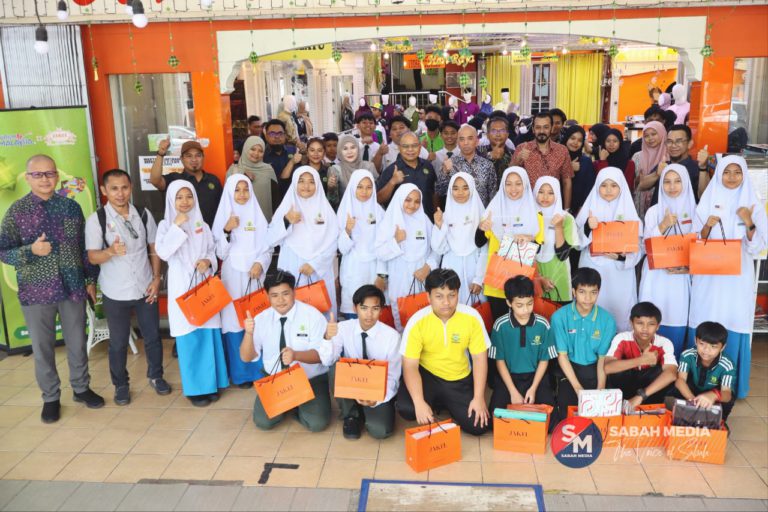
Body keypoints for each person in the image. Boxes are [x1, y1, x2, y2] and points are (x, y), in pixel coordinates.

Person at [0, 155, 103, 423]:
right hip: (36, 292)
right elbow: (3, 250)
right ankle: (51, 397)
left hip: (72, 288)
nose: (45, 179)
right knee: (43, 348)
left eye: (50, 173)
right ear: (28, 177)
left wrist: (91, 279)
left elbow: (84, 248)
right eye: (38, 174)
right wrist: (30, 251)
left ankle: (81, 388)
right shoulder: (16, 211)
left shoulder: (71, 208)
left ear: (57, 176)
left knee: (77, 343)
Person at [85, 169, 169, 406]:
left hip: (145, 288)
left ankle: (156, 376)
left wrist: (156, 279)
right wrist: (110, 252)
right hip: (115, 291)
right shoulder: (97, 220)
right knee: (119, 342)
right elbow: (92, 257)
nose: (120, 193)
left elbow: (153, 248)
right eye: (114, 188)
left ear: (130, 187)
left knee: (152, 336)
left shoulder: (142, 214)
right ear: (104, 191)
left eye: (124, 187)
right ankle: (121, 384)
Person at [689, 156, 767, 399]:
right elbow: (693, 242)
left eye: (737, 172)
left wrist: (748, 222)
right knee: (706, 316)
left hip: (737, 278)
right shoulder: (706, 203)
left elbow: (758, 248)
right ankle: (695, 383)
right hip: (708, 278)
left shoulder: (754, 206)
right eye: (726, 172)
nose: (732, 177)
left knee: (732, 321)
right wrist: (707, 227)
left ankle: (729, 387)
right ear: (718, 174)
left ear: (744, 175)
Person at [155, 181, 229, 407]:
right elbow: (164, 252)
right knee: (190, 337)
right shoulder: (165, 225)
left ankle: (212, 384)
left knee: (208, 335)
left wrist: (207, 261)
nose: (185, 201)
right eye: (179, 197)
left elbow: (210, 250)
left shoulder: (202, 225)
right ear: (171, 201)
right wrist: (177, 227)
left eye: (189, 196)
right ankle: (196, 389)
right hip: (182, 287)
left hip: (204, 285)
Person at [397, 268, 491, 436]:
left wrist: (478, 398)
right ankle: (432, 402)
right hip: (428, 375)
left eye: (452, 295)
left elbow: (479, 359)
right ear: (429, 297)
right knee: (408, 409)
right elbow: (410, 365)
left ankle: (447, 403)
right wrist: (419, 402)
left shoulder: (472, 317)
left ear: (458, 294)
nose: (446, 302)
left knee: (479, 426)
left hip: (458, 377)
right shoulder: (417, 321)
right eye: (439, 296)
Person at [241, 270, 332, 431]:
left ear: (294, 292)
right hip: (276, 380)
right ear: (267, 296)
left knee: (317, 424)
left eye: (285, 294)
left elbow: (322, 356)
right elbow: (246, 357)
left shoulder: (312, 315)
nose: (280, 300)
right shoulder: (261, 319)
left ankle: (296, 406)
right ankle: (290, 403)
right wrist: (248, 334)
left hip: (309, 379)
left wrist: (297, 355)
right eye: (274, 295)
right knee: (263, 422)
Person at [213, 175, 273, 388]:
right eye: (237, 190)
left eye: (245, 189)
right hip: (232, 277)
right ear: (230, 192)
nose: (242, 194)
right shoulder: (223, 217)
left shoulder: (258, 216)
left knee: (257, 320)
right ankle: (240, 375)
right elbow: (219, 252)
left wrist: (260, 262)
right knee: (234, 323)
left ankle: (259, 370)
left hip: (255, 277)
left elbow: (268, 247)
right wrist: (227, 230)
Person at [322, 285, 402, 439]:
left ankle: (370, 412)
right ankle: (350, 415)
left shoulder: (392, 337)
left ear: (382, 310)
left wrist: (377, 400)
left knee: (381, 431)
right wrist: (327, 338)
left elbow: (393, 377)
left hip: (377, 390)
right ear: (355, 307)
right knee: (335, 367)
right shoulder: (343, 328)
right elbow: (327, 360)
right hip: (353, 384)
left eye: (375, 308)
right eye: (364, 308)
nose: (369, 314)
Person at [638, 164, 696, 358]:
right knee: (650, 319)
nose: (672, 186)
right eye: (667, 182)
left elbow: (699, 248)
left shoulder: (696, 212)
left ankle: (672, 371)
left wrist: (686, 267)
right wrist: (662, 225)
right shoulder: (654, 212)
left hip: (679, 278)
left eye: (677, 181)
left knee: (676, 319)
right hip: (656, 277)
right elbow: (646, 247)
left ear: (686, 182)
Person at [575, 168, 643, 332]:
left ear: (621, 188)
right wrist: (587, 227)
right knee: (591, 311)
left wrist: (620, 257)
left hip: (619, 276)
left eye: (614, 185)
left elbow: (639, 247)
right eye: (603, 185)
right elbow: (576, 243)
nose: (608, 190)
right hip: (592, 269)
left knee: (619, 313)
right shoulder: (588, 210)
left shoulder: (630, 214)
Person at [268, 167, 340, 317]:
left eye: (311, 182)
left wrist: (314, 264)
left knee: (321, 315)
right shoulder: (286, 208)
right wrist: (287, 221)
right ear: (294, 183)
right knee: (292, 313)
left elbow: (334, 241)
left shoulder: (326, 210)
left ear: (318, 184)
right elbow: (270, 240)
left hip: (320, 269)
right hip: (292, 265)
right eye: (301, 181)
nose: (306, 186)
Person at [488, 276, 558, 426]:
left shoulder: (543, 324)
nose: (526, 310)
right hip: (509, 378)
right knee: (494, 422)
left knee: (552, 423)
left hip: (535, 377)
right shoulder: (500, 326)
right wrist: (513, 391)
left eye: (529, 304)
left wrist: (533, 388)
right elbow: (499, 361)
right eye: (519, 305)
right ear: (509, 303)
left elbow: (544, 360)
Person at [551, 268, 617, 417]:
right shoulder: (559, 317)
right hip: (569, 370)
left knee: (601, 414)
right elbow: (562, 356)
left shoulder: (607, 320)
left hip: (596, 370)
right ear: (574, 292)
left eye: (593, 292)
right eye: (582, 292)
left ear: (599, 292)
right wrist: (578, 389)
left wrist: (599, 391)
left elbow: (602, 360)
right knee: (567, 415)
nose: (588, 298)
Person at [480, 167, 542, 320]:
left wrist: (530, 239)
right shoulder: (492, 211)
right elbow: (479, 241)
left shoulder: (535, 213)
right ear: (502, 185)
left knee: (522, 326)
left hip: (522, 280)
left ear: (525, 185)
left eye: (518, 184)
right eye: (508, 184)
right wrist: (481, 228)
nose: (513, 189)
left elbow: (539, 248)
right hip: (497, 279)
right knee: (499, 326)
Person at [375, 185, 438, 331]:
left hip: (422, 281)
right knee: (403, 327)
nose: (412, 205)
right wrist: (395, 241)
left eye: (417, 201)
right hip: (399, 283)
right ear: (400, 199)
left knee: (425, 326)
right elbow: (380, 253)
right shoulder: (389, 222)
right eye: (408, 200)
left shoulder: (424, 221)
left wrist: (427, 267)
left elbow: (436, 249)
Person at [604, 302, 678, 410]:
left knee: (663, 372)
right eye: (640, 323)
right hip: (625, 387)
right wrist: (641, 360)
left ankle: (649, 406)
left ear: (658, 326)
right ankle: (619, 405)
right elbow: (607, 368)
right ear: (631, 323)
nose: (645, 328)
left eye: (651, 324)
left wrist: (641, 396)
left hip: (648, 392)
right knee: (617, 369)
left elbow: (672, 374)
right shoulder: (622, 338)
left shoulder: (664, 343)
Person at [431, 173, 488, 304]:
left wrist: (478, 279)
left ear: (472, 189)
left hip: (474, 269)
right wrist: (439, 226)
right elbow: (439, 249)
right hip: (451, 269)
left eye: (465, 188)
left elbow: (485, 250)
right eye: (455, 188)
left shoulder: (481, 215)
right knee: (452, 306)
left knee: (477, 310)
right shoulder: (445, 216)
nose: (460, 192)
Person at [337, 170, 386, 318]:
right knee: (353, 316)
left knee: (372, 315)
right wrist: (347, 230)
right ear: (352, 187)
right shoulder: (344, 211)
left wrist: (382, 275)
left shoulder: (379, 212)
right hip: (353, 270)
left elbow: (384, 247)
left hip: (374, 271)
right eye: (360, 187)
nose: (364, 191)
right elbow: (342, 249)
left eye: (368, 187)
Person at [672, 321, 736, 423]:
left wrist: (713, 395)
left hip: (713, 394)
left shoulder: (727, 365)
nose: (706, 350)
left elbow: (727, 393)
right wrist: (694, 401)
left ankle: (720, 422)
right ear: (695, 340)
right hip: (692, 392)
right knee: (677, 386)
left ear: (722, 347)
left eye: (713, 347)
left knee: (729, 399)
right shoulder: (687, 355)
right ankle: (682, 415)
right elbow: (680, 380)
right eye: (702, 344)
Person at [151, 139, 223, 228]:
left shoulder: (213, 180)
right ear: (181, 159)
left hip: (210, 236)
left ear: (203, 157)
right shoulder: (175, 179)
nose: (194, 159)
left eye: (198, 155)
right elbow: (155, 181)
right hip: (182, 236)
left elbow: (223, 208)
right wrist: (160, 154)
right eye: (189, 156)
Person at [511, 112, 574, 209]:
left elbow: (567, 181)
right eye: (538, 127)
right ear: (533, 129)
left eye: (545, 127)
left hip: (552, 206)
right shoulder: (522, 148)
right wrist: (517, 159)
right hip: (526, 206)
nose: (541, 131)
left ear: (551, 128)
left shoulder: (562, 150)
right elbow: (509, 175)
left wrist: (566, 210)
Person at [533, 177, 579, 303]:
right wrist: (539, 278)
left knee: (559, 317)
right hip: (534, 277)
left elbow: (563, 255)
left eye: (551, 193)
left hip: (558, 276)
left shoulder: (566, 218)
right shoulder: (529, 216)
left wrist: (558, 227)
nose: (545, 197)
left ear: (558, 194)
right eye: (541, 192)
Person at [377, 130, 437, 218]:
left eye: (414, 145)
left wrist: (435, 213)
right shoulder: (392, 170)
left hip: (426, 222)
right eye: (405, 146)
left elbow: (433, 193)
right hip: (401, 225)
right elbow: (379, 199)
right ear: (399, 148)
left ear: (420, 147)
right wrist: (392, 182)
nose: (410, 149)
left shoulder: (428, 166)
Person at [436, 125, 497, 207]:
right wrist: (444, 172)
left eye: (470, 138)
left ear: (477, 141)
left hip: (481, 217)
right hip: (457, 217)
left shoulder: (487, 165)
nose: (466, 143)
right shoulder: (450, 164)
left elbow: (493, 196)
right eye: (462, 139)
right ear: (458, 142)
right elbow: (440, 192)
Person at [649, 125, 709, 204]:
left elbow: (704, 197)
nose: (673, 145)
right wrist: (657, 174)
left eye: (679, 141)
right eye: (669, 141)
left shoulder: (698, 167)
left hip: (686, 215)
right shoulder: (663, 165)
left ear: (690, 144)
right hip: (660, 214)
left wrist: (703, 168)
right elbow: (641, 186)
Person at [226, 136, 278, 222]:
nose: (256, 153)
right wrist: (241, 174)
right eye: (253, 149)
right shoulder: (233, 171)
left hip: (263, 219)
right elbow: (226, 198)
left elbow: (275, 198)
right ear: (246, 148)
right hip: (240, 220)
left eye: (260, 151)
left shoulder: (268, 170)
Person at [327, 134, 378, 207]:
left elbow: (376, 195)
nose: (349, 152)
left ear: (358, 148)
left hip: (368, 210)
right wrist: (331, 188)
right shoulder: (335, 170)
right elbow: (333, 202)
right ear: (340, 151)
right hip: (345, 212)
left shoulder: (369, 167)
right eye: (345, 149)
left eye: (353, 147)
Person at [633, 121, 669, 219]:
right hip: (640, 202)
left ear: (662, 133)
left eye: (654, 134)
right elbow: (633, 183)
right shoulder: (637, 156)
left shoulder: (668, 155)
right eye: (646, 136)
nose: (650, 138)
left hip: (660, 201)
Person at [561, 125, 596, 217]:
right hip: (556, 208)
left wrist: (581, 212)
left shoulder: (586, 161)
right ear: (566, 138)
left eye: (580, 140)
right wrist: (568, 169)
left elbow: (589, 188)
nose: (575, 142)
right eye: (572, 138)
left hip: (578, 212)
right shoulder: (557, 158)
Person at [262, 119, 297, 200]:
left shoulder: (293, 150)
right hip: (270, 200)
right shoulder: (261, 155)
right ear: (266, 136)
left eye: (280, 133)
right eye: (272, 133)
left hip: (292, 198)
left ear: (285, 135)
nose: (277, 136)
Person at [477, 116, 515, 184]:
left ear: (507, 135)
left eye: (502, 131)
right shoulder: (478, 151)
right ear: (488, 135)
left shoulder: (514, 154)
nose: (498, 134)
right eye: (494, 131)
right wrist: (490, 156)